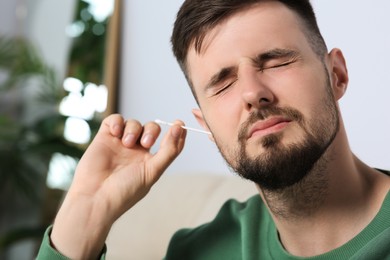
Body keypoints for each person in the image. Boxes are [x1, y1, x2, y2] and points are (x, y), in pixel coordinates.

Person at [37, 0, 390, 259]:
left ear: (336, 75)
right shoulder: (197, 252)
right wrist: (86, 213)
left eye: (277, 61)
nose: (253, 93)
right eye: (222, 84)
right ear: (206, 125)